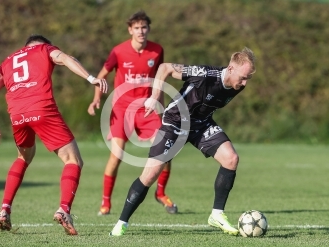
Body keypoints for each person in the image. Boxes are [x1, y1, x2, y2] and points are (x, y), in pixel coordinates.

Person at [109, 47, 256, 236]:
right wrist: (154, 97)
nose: (244, 83)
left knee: (231, 159)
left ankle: (217, 214)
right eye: (243, 77)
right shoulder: (205, 74)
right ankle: (122, 222)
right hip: (175, 122)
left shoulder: (237, 85)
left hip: (201, 125)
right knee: (150, 174)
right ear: (230, 68)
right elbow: (164, 68)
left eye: (248, 79)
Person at [0, 34, 108, 235]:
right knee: (73, 160)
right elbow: (66, 59)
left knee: (23, 157)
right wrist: (91, 78)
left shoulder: (8, 60)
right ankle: (64, 209)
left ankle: (4, 209)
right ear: (42, 45)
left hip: (17, 115)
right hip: (41, 109)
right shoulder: (44, 49)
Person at [88, 10, 177, 216]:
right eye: (136, 28)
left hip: (146, 109)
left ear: (148, 29)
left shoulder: (157, 51)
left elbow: (159, 81)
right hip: (121, 109)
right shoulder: (118, 51)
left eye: (144, 27)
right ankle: (106, 203)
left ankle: (161, 193)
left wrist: (161, 108)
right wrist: (96, 99)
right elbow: (101, 76)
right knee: (116, 156)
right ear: (130, 30)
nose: (141, 31)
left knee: (166, 150)